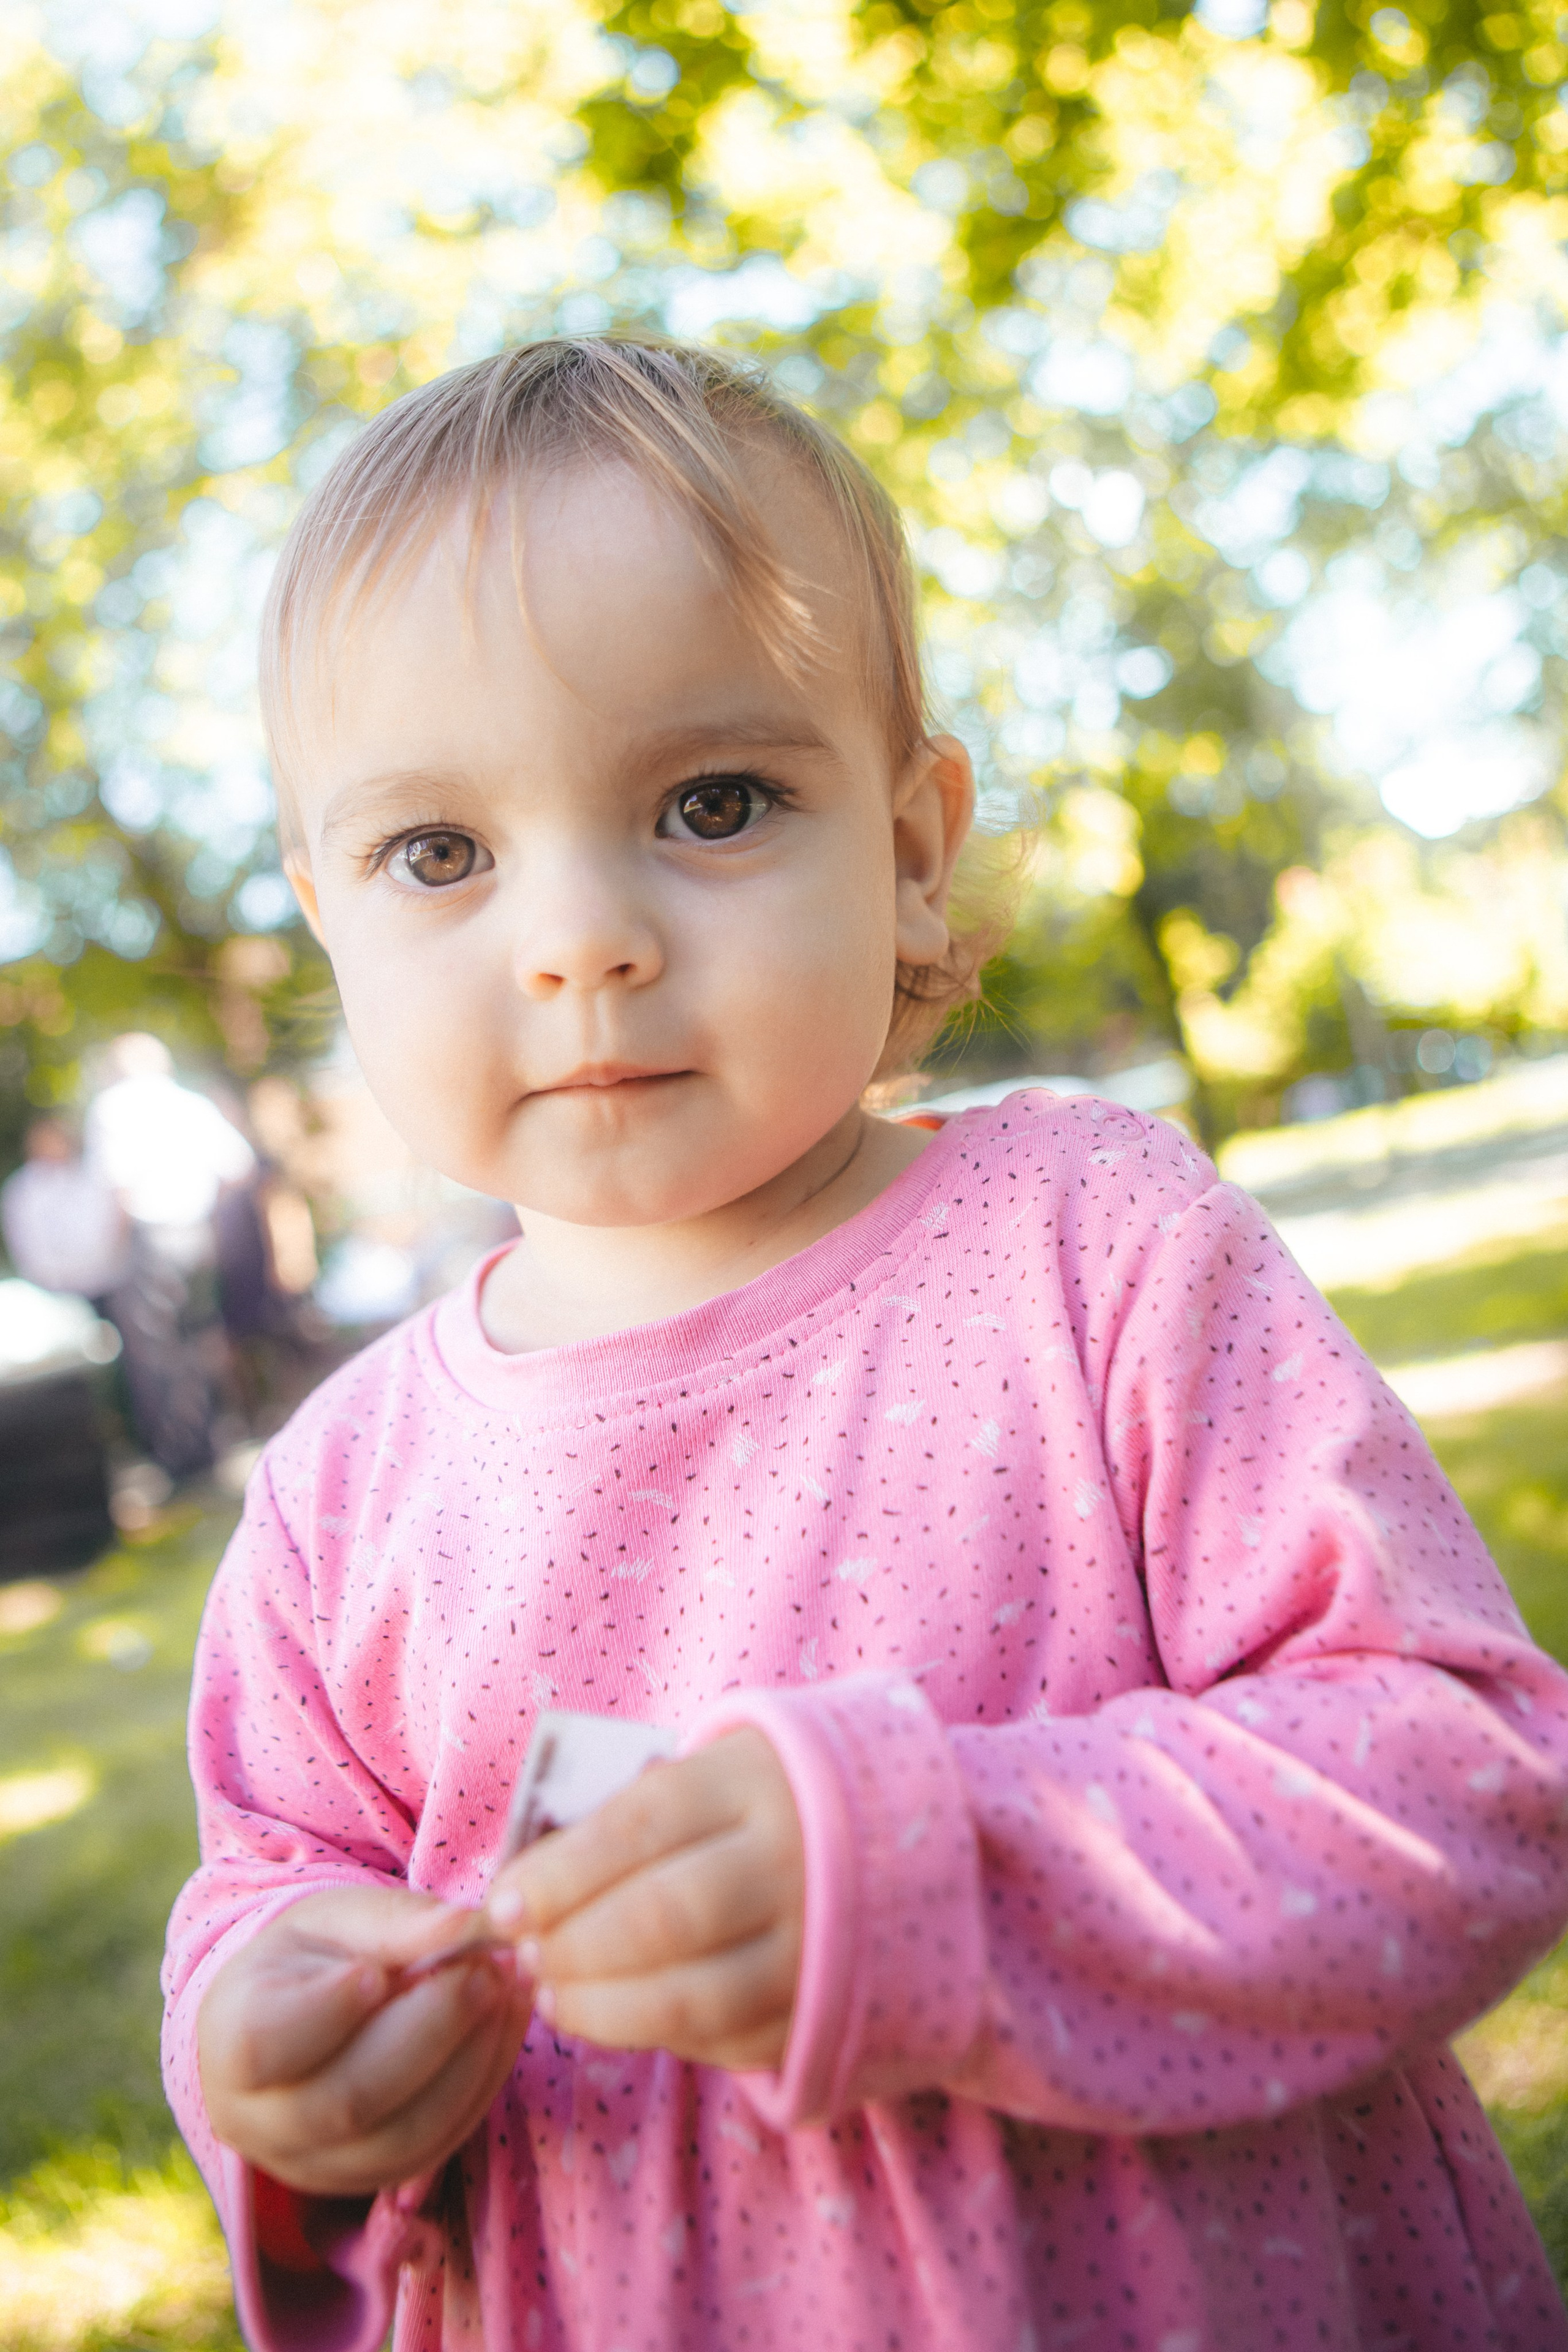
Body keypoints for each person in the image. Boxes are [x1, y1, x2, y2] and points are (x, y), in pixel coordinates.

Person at [162, 339, 1568, 2352]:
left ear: (910, 850)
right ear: (326, 919)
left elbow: (1466, 1774)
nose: (578, 938)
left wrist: (919, 1876)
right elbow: (270, 1887)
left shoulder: (1093, 1246)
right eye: (440, 854)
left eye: (711, 800)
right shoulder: (337, 1501)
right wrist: (278, 2054)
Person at [86, 1034, 255, 1478]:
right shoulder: (192, 1104)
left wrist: (113, 1247)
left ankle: (183, 1458)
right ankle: (220, 1442)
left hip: (152, 1240)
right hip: (197, 1235)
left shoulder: (113, 1106)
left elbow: (117, 1187)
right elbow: (239, 1168)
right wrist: (207, 1211)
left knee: (156, 1352)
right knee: (203, 1339)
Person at [1, 1115, 127, 1300]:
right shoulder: (21, 1191)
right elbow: (27, 1242)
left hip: (102, 1288)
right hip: (45, 1294)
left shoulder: (92, 1180)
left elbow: (107, 1232)